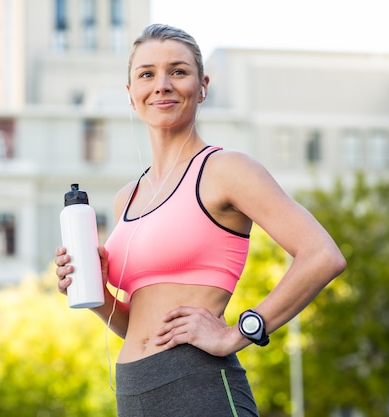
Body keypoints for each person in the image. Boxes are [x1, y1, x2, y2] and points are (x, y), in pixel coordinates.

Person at [55, 23, 346, 417]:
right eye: (147, 74)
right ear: (131, 94)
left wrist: (238, 332)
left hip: (199, 385)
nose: (162, 85)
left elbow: (322, 255)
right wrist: (97, 294)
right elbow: (137, 326)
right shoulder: (129, 196)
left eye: (178, 71)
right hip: (134, 391)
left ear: (202, 85)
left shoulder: (226, 170)